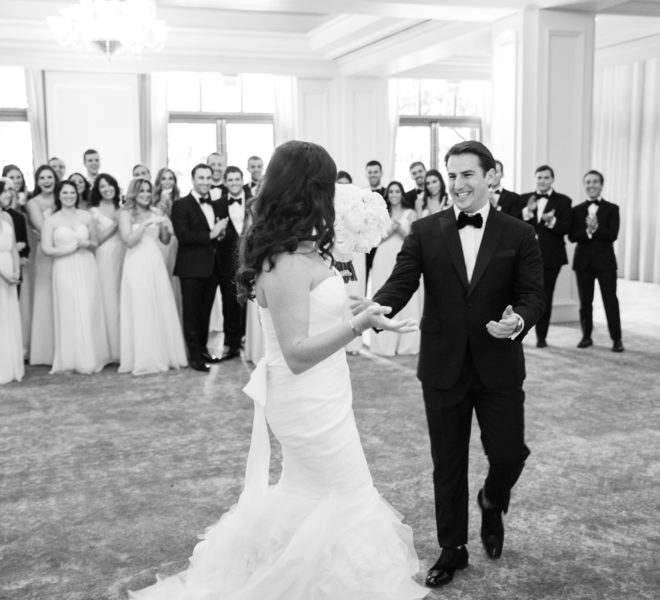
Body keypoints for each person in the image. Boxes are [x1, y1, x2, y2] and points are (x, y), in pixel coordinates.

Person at [129, 139, 426, 600]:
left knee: (315, 495)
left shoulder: (304, 249)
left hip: (327, 392)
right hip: (307, 399)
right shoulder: (285, 261)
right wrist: (357, 326)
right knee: (347, 492)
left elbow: (316, 307)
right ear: (308, 190)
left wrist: (358, 307)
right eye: (326, 186)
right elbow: (297, 353)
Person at [369, 140, 545, 589]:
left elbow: (532, 294)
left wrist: (518, 321)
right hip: (442, 364)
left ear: (491, 176)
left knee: (509, 452)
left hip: (499, 363)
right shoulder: (426, 230)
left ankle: (492, 500)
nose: (457, 184)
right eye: (452, 175)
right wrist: (376, 309)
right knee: (447, 463)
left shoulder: (518, 233)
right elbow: (401, 282)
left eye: (467, 174)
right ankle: (452, 549)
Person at [118, 178, 187, 375]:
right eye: (141, 191)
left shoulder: (156, 211)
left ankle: (161, 354)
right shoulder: (125, 214)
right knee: (141, 307)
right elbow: (129, 241)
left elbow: (164, 241)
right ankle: (142, 358)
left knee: (158, 305)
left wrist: (165, 226)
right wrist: (145, 223)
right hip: (135, 263)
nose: (146, 194)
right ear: (134, 193)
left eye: (148, 191)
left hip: (155, 262)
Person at [41, 180, 110, 374]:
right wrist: (70, 248)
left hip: (86, 264)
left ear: (77, 195)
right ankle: (71, 358)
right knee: (69, 309)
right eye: (65, 193)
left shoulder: (86, 216)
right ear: (58, 195)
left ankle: (90, 356)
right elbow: (46, 249)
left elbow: (95, 243)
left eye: (72, 192)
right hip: (63, 267)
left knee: (88, 307)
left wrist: (86, 244)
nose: (69, 196)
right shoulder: (51, 220)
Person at [171, 164, 228, 372]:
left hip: (212, 268)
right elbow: (183, 235)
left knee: (205, 314)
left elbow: (216, 234)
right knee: (192, 315)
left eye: (208, 178)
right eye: (201, 178)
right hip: (191, 268)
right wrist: (212, 234)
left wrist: (219, 235)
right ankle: (195, 357)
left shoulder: (216, 204)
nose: (205, 182)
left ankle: (203, 351)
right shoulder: (181, 205)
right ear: (193, 179)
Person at [568, 170, 623, 352]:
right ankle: (586, 336)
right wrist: (588, 231)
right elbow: (572, 236)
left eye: (595, 182)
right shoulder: (576, 210)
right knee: (585, 302)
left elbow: (612, 235)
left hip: (606, 263)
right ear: (584, 185)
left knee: (610, 301)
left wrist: (596, 227)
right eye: (588, 182)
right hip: (583, 263)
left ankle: (617, 339)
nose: (591, 185)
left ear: (601, 185)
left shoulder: (612, 208)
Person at [519, 165, 572, 348]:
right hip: (526, 258)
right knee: (523, 296)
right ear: (535, 179)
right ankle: (519, 334)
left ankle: (541, 336)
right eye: (539, 177)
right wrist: (528, 211)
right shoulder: (524, 198)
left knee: (545, 296)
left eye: (546, 177)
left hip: (552, 257)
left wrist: (552, 221)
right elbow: (514, 225)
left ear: (552, 179)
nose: (542, 181)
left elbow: (567, 228)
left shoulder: (563, 201)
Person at [370, 181, 420, 356]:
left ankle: (407, 344)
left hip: (403, 256)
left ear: (402, 193)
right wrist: (391, 231)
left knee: (405, 295)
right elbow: (374, 240)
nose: (393, 194)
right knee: (383, 294)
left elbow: (415, 239)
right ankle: (384, 345)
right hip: (382, 257)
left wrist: (400, 231)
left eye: (397, 191)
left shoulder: (410, 213)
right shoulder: (382, 214)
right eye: (391, 191)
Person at [215, 165, 251, 359]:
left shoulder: (254, 201)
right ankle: (231, 344)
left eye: (237, 179)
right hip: (226, 261)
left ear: (242, 180)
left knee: (250, 301)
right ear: (225, 182)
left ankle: (248, 340)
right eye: (230, 180)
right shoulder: (218, 204)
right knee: (229, 303)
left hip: (250, 260)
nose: (234, 183)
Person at [26, 165, 58, 366]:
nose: (47, 181)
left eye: (50, 177)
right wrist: (65, 232)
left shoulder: (63, 196)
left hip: (65, 251)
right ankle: (47, 350)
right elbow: (42, 227)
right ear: (37, 182)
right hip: (45, 253)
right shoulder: (33, 203)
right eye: (43, 178)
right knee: (46, 295)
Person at [90, 173, 124, 361]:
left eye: (109, 185)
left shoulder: (122, 207)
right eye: (102, 186)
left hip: (124, 253)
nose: (107, 189)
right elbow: (96, 240)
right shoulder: (93, 211)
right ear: (97, 190)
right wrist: (116, 224)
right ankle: (110, 349)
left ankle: (124, 346)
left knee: (122, 298)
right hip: (104, 255)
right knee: (108, 298)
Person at [0, 193, 24, 384]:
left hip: (9, 268)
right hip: (2, 273)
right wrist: (4, 275)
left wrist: (16, 271)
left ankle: (11, 365)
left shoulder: (7, 216)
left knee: (9, 316)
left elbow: (14, 248)